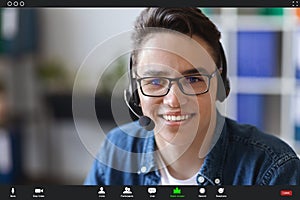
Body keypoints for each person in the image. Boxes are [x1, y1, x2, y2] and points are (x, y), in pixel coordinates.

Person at [84, 8, 300, 185]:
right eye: (156, 82)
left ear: (220, 84)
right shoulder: (116, 150)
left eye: (194, 79)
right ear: (135, 91)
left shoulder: (272, 168)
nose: (173, 101)